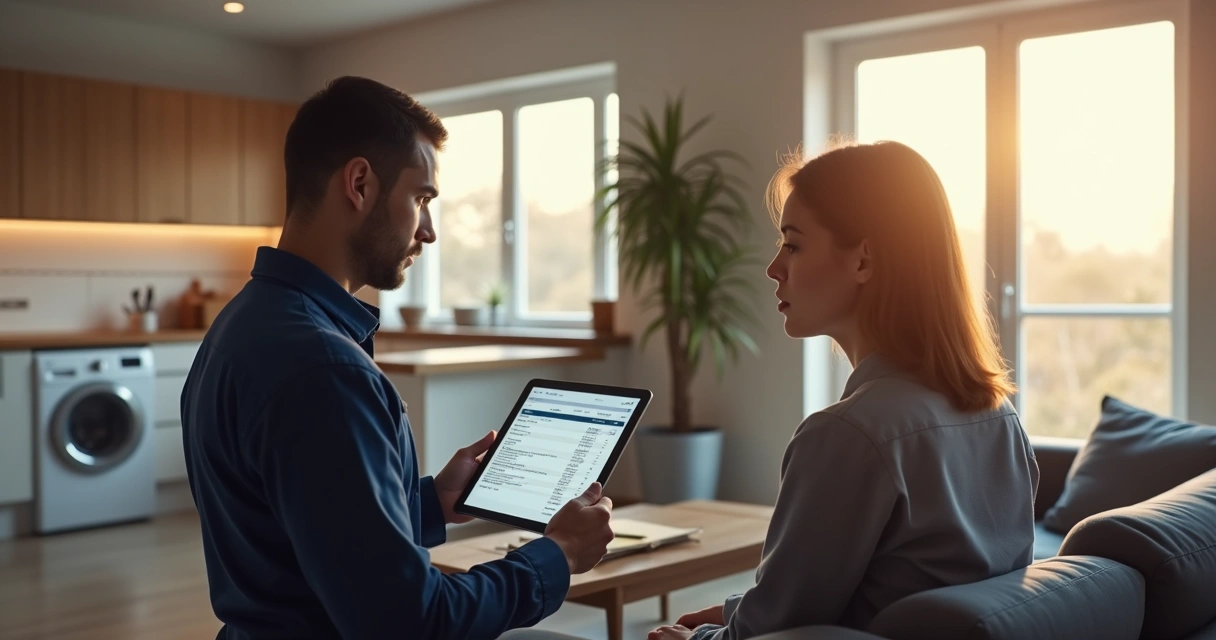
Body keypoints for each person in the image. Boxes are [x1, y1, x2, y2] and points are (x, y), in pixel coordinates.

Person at [180, 76, 614, 640]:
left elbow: (308, 535)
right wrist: (557, 555)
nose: (429, 231)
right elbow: (410, 621)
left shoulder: (242, 325)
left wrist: (430, 503)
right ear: (359, 183)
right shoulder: (324, 370)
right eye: (421, 198)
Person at [650, 141, 1040, 640]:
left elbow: (774, 631)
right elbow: (874, 587)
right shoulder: (999, 414)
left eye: (792, 244)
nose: (774, 268)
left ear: (864, 260)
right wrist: (735, 611)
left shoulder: (848, 434)